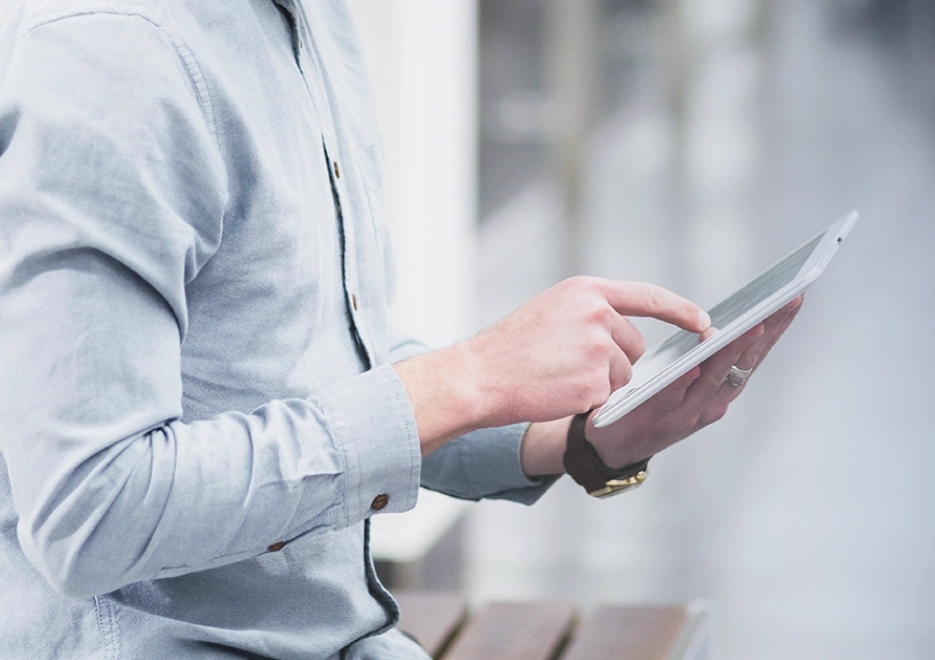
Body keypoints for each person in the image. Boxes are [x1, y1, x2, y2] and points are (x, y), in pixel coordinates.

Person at [0, 1, 801, 657]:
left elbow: (313, 373)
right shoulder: (112, 58)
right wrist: (468, 379)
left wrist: (570, 438)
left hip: (346, 633)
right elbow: (92, 512)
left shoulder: (307, 26)